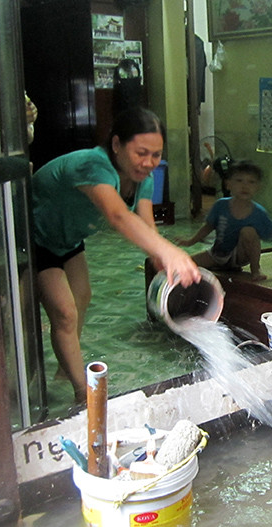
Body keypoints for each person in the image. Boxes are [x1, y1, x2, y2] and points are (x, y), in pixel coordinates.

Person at [31, 107, 201, 403]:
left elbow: (148, 230)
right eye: (141, 153)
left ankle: (63, 363)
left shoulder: (142, 178)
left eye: (156, 155)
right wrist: (169, 250)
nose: (149, 163)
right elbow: (118, 216)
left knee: (82, 295)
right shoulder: (93, 165)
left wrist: (166, 265)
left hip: (68, 237)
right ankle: (82, 393)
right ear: (116, 145)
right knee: (65, 312)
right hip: (35, 236)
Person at [177, 159, 272, 281]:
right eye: (239, 181)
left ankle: (256, 269)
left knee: (248, 231)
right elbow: (208, 227)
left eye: (251, 182)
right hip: (217, 254)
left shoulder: (258, 213)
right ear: (228, 184)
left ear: (257, 187)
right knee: (185, 264)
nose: (245, 186)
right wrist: (190, 241)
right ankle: (220, 267)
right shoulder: (220, 206)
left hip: (239, 257)